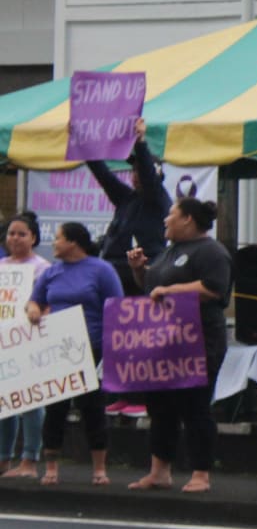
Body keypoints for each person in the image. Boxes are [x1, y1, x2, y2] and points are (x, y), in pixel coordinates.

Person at [126, 198, 232, 493]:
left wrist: (171, 289)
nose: (165, 220)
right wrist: (140, 271)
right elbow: (152, 289)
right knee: (160, 407)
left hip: (199, 341)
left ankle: (201, 472)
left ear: (187, 219)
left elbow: (214, 288)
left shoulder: (212, 252)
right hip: (164, 342)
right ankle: (160, 471)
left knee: (195, 405)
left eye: (171, 214)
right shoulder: (170, 251)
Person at [26, 222, 123, 486]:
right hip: (56, 348)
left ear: (72, 242)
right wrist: (34, 309)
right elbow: (36, 299)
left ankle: (99, 468)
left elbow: (117, 307)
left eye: (57, 238)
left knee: (92, 407)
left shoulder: (101, 270)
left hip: (91, 347)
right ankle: (52, 467)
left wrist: (110, 348)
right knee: (55, 408)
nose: (54, 243)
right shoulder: (52, 272)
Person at [87, 117, 171, 420]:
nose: (135, 175)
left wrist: (141, 142)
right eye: (132, 170)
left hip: (141, 275)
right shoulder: (127, 200)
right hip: (115, 275)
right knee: (119, 340)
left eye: (139, 169)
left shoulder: (157, 197)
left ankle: (141, 396)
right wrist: (86, 149)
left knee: (140, 340)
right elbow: (105, 177)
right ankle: (121, 393)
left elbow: (149, 177)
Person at [0, 213, 51, 479]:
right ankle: (3, 458)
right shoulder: (2, 265)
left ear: (33, 237)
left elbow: (48, 300)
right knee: (3, 400)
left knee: (31, 401)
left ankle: (30, 458)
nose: (15, 238)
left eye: (21, 234)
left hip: (30, 340)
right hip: (4, 341)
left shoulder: (42, 268)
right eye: (11, 233)